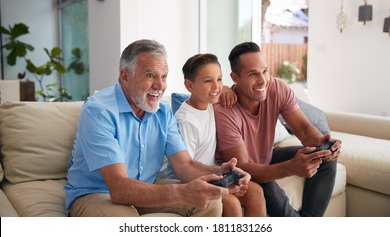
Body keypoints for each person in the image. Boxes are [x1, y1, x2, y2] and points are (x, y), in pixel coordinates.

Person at [64, 39, 250, 217]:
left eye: (164, 76)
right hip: (97, 192)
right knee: (123, 217)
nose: (160, 85)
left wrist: (220, 172)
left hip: (146, 184)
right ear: (125, 76)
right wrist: (183, 192)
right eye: (150, 75)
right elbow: (119, 188)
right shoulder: (99, 111)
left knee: (209, 201)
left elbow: (185, 165)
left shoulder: (162, 112)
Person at [214, 41, 342, 217]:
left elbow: (304, 129)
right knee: (266, 186)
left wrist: (324, 146)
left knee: (325, 159)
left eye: (265, 71)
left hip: (267, 156)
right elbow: (243, 168)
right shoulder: (224, 110)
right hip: (242, 171)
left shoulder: (277, 88)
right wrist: (291, 167)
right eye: (253, 74)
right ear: (235, 78)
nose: (262, 80)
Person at [174, 53, 267, 217]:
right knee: (232, 204)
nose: (216, 86)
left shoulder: (210, 103)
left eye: (219, 79)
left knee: (256, 192)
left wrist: (225, 89)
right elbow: (185, 170)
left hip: (214, 174)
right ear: (189, 86)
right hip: (193, 180)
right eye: (208, 81)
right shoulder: (186, 121)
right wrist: (222, 184)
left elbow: (221, 90)